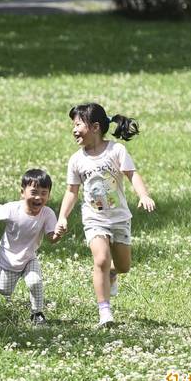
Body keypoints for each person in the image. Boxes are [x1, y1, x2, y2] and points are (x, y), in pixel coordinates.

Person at [55, 102, 155, 328]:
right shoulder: (76, 160)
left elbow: (132, 175)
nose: (74, 129)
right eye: (73, 125)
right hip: (94, 219)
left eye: (78, 124)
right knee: (100, 259)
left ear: (95, 127)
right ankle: (105, 312)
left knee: (123, 266)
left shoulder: (116, 151)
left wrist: (143, 195)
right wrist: (62, 217)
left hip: (119, 218)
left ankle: (112, 272)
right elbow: (71, 192)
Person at [0, 169, 61, 326]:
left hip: (29, 257)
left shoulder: (47, 213)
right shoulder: (13, 209)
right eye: (34, 192)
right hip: (8, 258)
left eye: (44, 193)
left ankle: (37, 314)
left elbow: (52, 238)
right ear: (22, 192)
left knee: (35, 282)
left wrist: (58, 234)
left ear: (48, 195)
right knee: (4, 290)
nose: (38, 197)